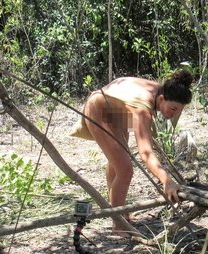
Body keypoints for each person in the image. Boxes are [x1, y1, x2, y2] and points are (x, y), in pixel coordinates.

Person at [69, 70, 193, 234]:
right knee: (125, 169)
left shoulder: (166, 90)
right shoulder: (143, 109)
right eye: (173, 109)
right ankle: (118, 223)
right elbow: (146, 153)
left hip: (117, 107)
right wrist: (166, 180)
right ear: (161, 99)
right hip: (99, 108)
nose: (174, 114)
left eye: (179, 110)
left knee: (118, 160)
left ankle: (118, 210)